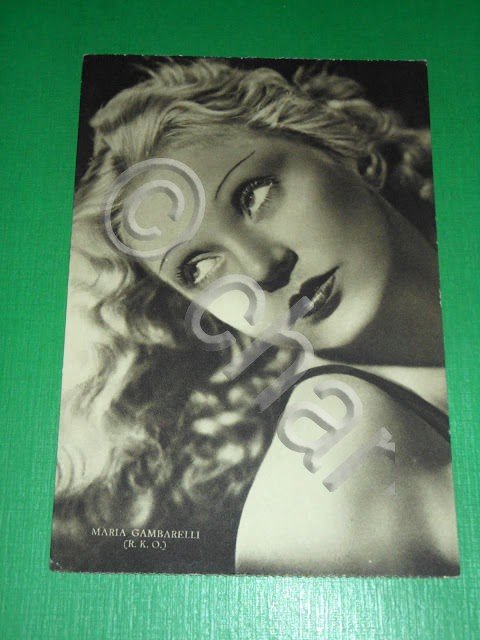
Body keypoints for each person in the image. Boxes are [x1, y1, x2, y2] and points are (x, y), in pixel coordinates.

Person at [52, 58, 459, 575]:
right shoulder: (334, 485)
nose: (262, 268)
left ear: (342, 147)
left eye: (255, 195)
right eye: (200, 268)